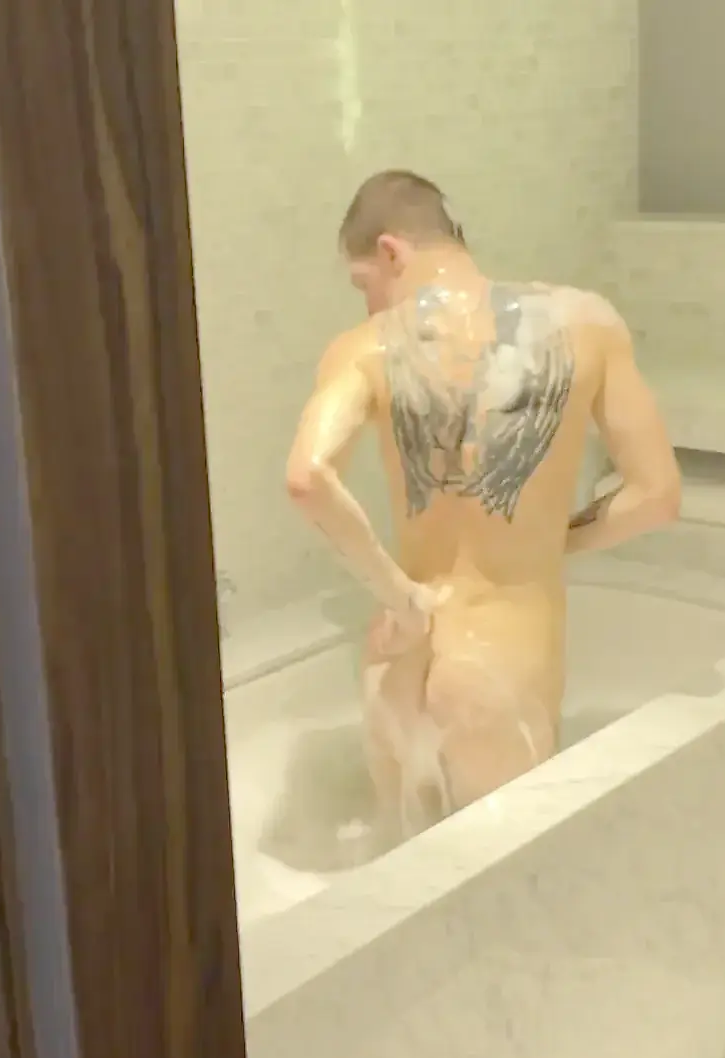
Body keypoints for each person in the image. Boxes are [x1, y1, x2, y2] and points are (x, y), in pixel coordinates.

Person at [284, 169, 681, 842]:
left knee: (393, 884)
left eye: (362, 284)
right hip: (499, 674)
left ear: (391, 251)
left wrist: (404, 598)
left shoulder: (362, 348)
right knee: (504, 893)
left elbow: (307, 478)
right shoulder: (585, 325)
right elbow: (656, 497)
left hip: (396, 666)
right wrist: (548, 542)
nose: (368, 305)